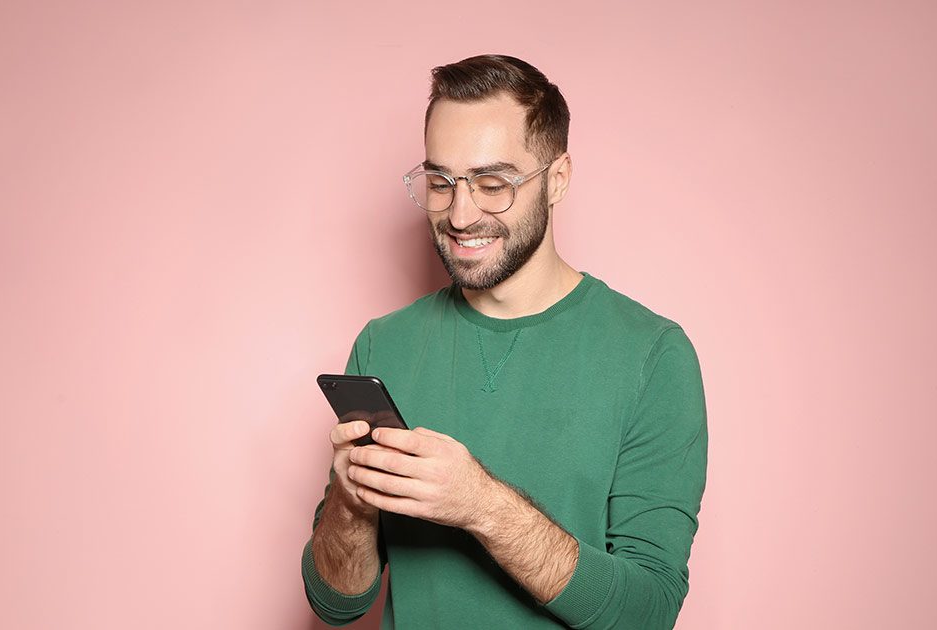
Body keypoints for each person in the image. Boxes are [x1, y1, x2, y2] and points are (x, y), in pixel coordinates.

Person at [300, 54, 708, 629]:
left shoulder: (653, 355)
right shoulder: (382, 346)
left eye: (494, 185)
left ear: (558, 178)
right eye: (441, 182)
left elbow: (648, 613)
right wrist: (350, 505)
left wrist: (481, 505)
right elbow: (337, 604)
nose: (461, 214)